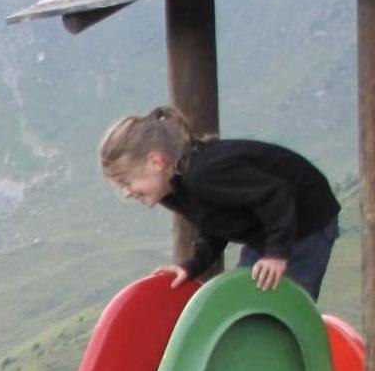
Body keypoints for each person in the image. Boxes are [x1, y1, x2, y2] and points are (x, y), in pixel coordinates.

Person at [99, 105, 341, 299]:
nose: (128, 193)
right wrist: (191, 266)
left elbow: (275, 194)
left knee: (280, 312)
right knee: (238, 306)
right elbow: (216, 223)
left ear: (156, 161)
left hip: (306, 223)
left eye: (126, 182)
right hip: (268, 230)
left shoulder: (204, 174)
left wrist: (276, 254)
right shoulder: (177, 189)